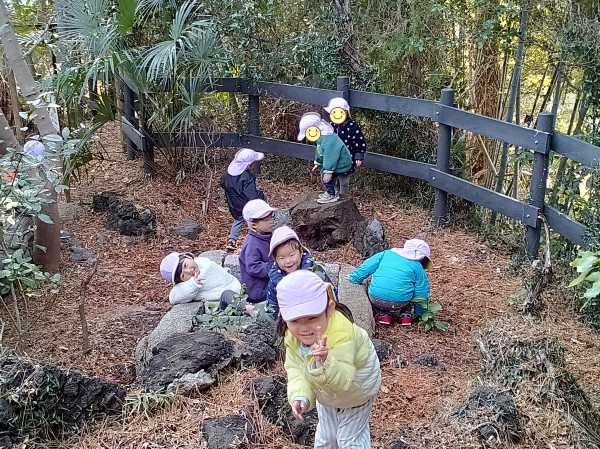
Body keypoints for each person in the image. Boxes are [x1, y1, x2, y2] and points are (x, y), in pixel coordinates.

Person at [276, 270, 381, 448]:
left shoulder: (342, 334)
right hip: (326, 392)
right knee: (327, 437)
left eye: (312, 317)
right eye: (294, 320)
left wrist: (324, 361)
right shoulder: (292, 337)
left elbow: (343, 382)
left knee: (349, 440)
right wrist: (300, 394)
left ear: (329, 308)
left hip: (357, 389)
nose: (304, 328)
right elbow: (296, 369)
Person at [348, 239, 432, 326]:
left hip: (376, 299)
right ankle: (406, 316)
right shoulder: (417, 267)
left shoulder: (386, 254)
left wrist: (354, 278)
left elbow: (367, 266)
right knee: (411, 290)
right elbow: (422, 292)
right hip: (401, 302)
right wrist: (420, 314)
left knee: (375, 284)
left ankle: (384, 314)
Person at [266, 225, 336, 318]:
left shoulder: (314, 272)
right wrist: (277, 321)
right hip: (291, 320)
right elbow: (272, 305)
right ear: (275, 259)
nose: (288, 261)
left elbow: (330, 293)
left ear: (301, 252)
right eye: (281, 258)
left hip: (316, 316)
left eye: (292, 255)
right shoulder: (275, 278)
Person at [297, 112, 352, 204]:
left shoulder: (328, 140)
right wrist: (317, 162)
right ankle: (333, 191)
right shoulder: (320, 138)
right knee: (327, 174)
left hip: (341, 162)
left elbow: (330, 156)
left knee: (326, 176)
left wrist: (328, 171)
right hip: (336, 161)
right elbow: (320, 151)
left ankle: (331, 194)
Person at [220, 148, 267, 251]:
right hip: (247, 205)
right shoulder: (247, 177)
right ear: (249, 164)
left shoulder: (227, 175)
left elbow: (222, 183)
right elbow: (251, 195)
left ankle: (232, 240)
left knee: (238, 220)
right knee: (255, 219)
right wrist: (260, 199)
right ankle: (257, 238)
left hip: (234, 205)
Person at [160, 252, 242, 306]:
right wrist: (192, 284)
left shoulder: (203, 263)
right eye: (183, 276)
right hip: (223, 297)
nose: (189, 271)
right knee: (229, 296)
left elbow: (218, 273)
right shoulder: (190, 284)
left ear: (188, 257)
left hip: (234, 283)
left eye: (185, 265)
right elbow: (173, 298)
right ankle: (247, 308)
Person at [324, 97, 367, 195]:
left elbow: (359, 141)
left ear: (345, 112)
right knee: (331, 178)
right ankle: (332, 195)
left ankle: (343, 198)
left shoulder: (352, 126)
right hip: (333, 159)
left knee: (344, 181)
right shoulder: (330, 127)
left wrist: (359, 155)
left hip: (346, 159)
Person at [238, 199, 276, 306]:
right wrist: (273, 267)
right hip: (258, 291)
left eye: (271, 218)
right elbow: (253, 267)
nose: (271, 222)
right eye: (266, 220)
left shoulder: (267, 236)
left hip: (269, 284)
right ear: (254, 225)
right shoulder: (252, 243)